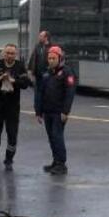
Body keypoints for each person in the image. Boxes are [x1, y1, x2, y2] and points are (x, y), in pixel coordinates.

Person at [0, 44, 31, 171]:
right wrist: (0, 78)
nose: (9, 55)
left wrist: (13, 80)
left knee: (12, 133)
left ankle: (9, 159)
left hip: (13, 106)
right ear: (3, 53)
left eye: (12, 53)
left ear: (15, 54)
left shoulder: (20, 66)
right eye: (7, 53)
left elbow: (26, 84)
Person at [35, 46, 76, 175]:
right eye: (49, 58)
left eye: (53, 58)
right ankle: (55, 161)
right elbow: (40, 93)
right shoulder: (47, 73)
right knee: (51, 137)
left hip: (59, 112)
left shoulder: (67, 72)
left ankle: (61, 164)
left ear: (60, 58)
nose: (51, 60)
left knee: (57, 136)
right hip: (47, 111)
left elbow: (70, 93)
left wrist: (65, 111)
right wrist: (38, 111)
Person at [28, 31, 52, 111]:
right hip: (37, 74)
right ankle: (37, 108)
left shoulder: (51, 47)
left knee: (45, 91)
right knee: (37, 91)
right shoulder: (37, 46)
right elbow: (33, 58)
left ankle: (44, 107)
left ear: (46, 37)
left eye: (41, 36)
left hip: (47, 74)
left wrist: (49, 71)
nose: (39, 37)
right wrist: (30, 70)